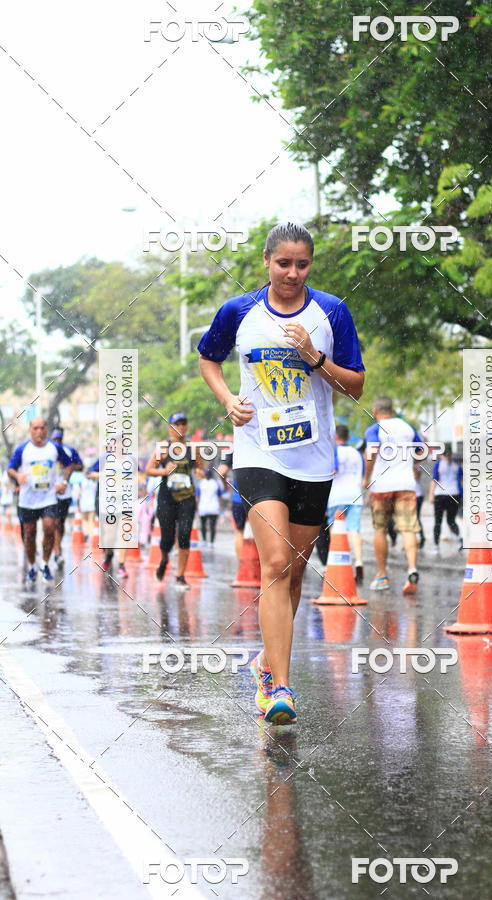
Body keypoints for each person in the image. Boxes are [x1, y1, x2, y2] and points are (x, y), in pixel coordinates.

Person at [199, 221, 364, 724]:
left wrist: (314, 358)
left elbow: (355, 386)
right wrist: (228, 399)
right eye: (283, 263)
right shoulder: (239, 312)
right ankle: (281, 689)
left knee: (294, 570)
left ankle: (265, 663)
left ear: (310, 265)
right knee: (274, 564)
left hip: (313, 459)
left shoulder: (331, 311)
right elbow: (209, 358)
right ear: (266, 262)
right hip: (257, 453)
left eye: (302, 264)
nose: (292, 273)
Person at [363, 397, 422, 594]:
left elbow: (371, 454)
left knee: (380, 530)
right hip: (406, 485)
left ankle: (382, 575)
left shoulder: (374, 429)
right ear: (392, 409)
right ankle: (412, 569)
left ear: (375, 410)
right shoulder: (407, 427)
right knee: (408, 529)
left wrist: (366, 478)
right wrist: (414, 466)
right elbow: (421, 451)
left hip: (381, 486)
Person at [7, 418, 75, 583]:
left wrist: (64, 483)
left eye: (42, 428)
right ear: (30, 430)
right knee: (29, 534)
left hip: (48, 497)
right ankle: (32, 566)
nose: (39, 432)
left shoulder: (54, 447)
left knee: (50, 528)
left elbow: (69, 464)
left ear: (46, 430)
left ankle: (45, 564)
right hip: (28, 499)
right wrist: (18, 476)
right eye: (35, 428)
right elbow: (10, 468)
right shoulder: (23, 449)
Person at [145, 412, 202, 589]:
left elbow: (200, 468)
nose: (181, 427)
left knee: (184, 533)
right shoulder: (163, 448)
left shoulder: (193, 449)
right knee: (167, 538)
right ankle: (164, 559)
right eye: (177, 424)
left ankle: (180, 575)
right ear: (170, 427)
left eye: (184, 423)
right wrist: (163, 471)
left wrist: (200, 472)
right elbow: (148, 469)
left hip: (186, 497)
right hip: (166, 498)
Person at [326, 424, 364, 584]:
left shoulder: (332, 451)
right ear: (348, 437)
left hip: (336, 496)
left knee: (335, 530)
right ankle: (359, 561)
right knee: (354, 529)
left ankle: (337, 559)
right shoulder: (356, 453)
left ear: (335, 437)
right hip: (355, 495)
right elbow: (361, 474)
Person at [50, 427, 83, 568]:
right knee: (52, 522)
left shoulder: (70, 451)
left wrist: (69, 465)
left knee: (60, 523)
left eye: (59, 439)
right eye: (54, 439)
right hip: (49, 492)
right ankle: (55, 551)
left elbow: (81, 466)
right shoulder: (47, 451)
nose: (57, 441)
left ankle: (58, 550)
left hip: (65, 491)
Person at [429, 444, 463, 554]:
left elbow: (434, 481)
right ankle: (459, 540)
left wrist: (431, 494)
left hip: (440, 495)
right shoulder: (456, 465)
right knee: (451, 521)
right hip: (454, 494)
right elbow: (461, 481)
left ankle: (436, 547)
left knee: (437, 522)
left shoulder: (438, 465)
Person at [217, 453, 246, 561]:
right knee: (260, 532)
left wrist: (225, 484)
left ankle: (241, 563)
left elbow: (221, 472)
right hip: (259, 498)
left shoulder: (234, 450)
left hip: (238, 498)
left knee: (239, 531)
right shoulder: (261, 443)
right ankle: (260, 565)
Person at [197, 467, 222, 542]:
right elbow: (219, 496)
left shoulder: (200, 483)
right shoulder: (216, 483)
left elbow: (197, 497)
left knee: (203, 525)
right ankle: (211, 542)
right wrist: (219, 507)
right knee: (212, 526)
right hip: (213, 507)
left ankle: (204, 540)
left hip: (203, 507)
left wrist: (197, 507)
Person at [414, 464, 426, 549]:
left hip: (417, 495)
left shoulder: (416, 466)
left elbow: (416, 476)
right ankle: (414, 539)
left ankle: (421, 537)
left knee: (416, 517)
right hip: (407, 495)